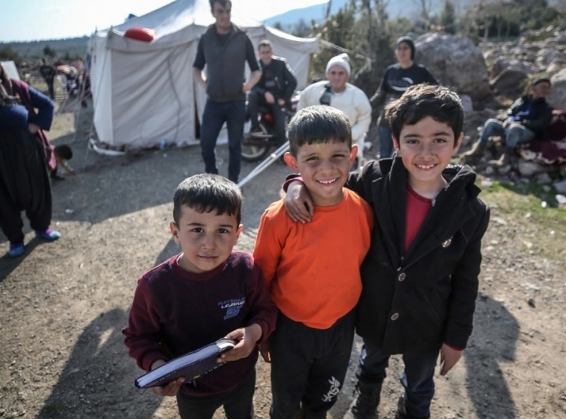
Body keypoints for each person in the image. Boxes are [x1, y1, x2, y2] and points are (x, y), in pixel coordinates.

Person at [284, 85, 490, 419]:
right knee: (371, 362)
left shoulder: (471, 210)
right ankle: (366, 402)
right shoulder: (372, 180)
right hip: (376, 310)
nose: (426, 152)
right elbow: (328, 184)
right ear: (396, 142)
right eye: (413, 140)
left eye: (439, 139)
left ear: (458, 141)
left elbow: (467, 279)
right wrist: (294, 183)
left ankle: (413, 410)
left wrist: (456, 338)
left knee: (421, 381)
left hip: (428, 320)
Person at [123, 174, 277, 419]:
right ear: (175, 232)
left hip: (242, 377)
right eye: (197, 229)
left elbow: (265, 310)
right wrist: (159, 368)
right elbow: (139, 337)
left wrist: (254, 333)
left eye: (222, 230)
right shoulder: (154, 286)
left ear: (237, 234)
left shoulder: (245, 268)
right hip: (193, 390)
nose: (209, 243)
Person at [253, 106, 374, 419]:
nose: (326, 168)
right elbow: (260, 278)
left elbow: (359, 262)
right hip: (290, 330)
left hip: (341, 327)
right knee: (285, 405)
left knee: (321, 401)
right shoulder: (278, 218)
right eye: (312, 159)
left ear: (352, 155)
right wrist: (264, 330)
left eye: (337, 156)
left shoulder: (362, 210)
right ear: (293, 163)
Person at [193, 0, 262, 182]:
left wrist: (248, 86)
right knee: (206, 145)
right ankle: (213, 180)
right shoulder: (206, 38)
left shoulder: (242, 38)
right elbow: (196, 67)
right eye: (220, 11)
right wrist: (205, 83)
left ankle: (232, 183)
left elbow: (256, 70)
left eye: (227, 11)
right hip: (214, 102)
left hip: (236, 102)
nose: (224, 15)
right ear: (213, 12)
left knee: (234, 146)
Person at [0, 65, 61, 258]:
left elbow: (47, 105)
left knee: (38, 191)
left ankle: (42, 228)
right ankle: (15, 239)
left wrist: (33, 127)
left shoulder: (16, 88)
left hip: (28, 151)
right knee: (4, 199)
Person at [370, 36, 439, 159]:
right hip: (386, 120)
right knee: (385, 156)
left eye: (405, 48)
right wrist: (365, 105)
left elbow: (437, 90)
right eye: (399, 48)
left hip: (410, 122)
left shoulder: (421, 72)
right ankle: (385, 178)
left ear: (411, 51)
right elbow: (380, 94)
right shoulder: (390, 71)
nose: (402, 51)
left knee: (406, 156)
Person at [297, 53, 371, 167]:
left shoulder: (358, 96)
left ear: (347, 76)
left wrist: (350, 135)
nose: (337, 77)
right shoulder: (313, 91)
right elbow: (302, 104)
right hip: (317, 141)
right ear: (328, 74)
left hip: (348, 142)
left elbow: (364, 119)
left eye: (341, 73)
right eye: (333, 73)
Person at [465, 78, 553, 167]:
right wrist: (508, 120)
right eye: (543, 87)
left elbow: (540, 124)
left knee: (514, 128)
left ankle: (505, 157)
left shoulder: (546, 107)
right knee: (491, 123)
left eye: (547, 88)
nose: (545, 90)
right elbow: (510, 112)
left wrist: (520, 123)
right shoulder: (522, 100)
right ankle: (479, 148)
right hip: (510, 126)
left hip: (527, 132)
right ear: (534, 88)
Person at [247, 40, 297, 145]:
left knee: (281, 126)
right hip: (263, 99)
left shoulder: (280, 64)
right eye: (263, 53)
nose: (266, 55)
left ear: (272, 52)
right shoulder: (256, 66)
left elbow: (292, 81)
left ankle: (282, 155)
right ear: (258, 53)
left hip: (279, 100)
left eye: (268, 52)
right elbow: (253, 86)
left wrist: (284, 99)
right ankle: (255, 128)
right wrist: (264, 92)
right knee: (251, 96)